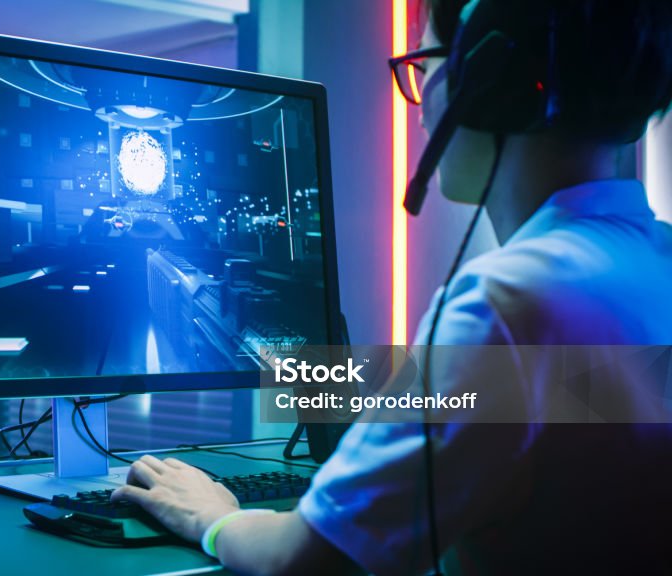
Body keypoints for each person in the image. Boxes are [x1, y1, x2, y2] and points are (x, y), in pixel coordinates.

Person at [111, 1, 672, 574]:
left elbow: (304, 561)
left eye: (423, 66)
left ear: (487, 79)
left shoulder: (507, 301)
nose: (421, 110)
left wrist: (212, 515)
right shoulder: (657, 262)